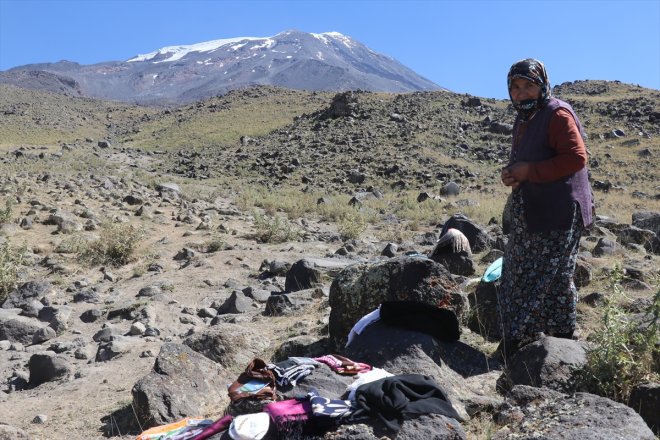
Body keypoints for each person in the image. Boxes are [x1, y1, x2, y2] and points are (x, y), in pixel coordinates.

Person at [497, 58, 594, 358]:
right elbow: (529, 160)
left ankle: (522, 343)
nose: (522, 93)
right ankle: (557, 338)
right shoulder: (525, 117)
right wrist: (514, 174)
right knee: (533, 273)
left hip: (559, 211)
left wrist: (530, 172)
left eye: (528, 86)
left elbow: (576, 158)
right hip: (535, 209)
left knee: (537, 275)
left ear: (542, 86)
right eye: (516, 87)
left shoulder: (556, 113)